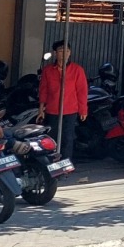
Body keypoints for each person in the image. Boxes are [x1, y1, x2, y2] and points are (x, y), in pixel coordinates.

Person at [39, 40, 88, 170]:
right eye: (61, 51)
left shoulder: (77, 70)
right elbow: (43, 90)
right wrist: (41, 109)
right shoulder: (48, 70)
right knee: (52, 138)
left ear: (70, 53)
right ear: (55, 53)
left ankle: (66, 165)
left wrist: (83, 109)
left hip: (70, 110)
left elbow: (82, 91)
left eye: (67, 51)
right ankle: (52, 164)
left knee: (67, 138)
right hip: (52, 109)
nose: (64, 54)